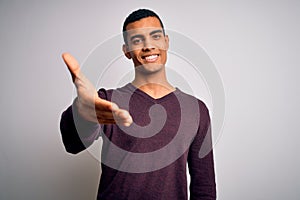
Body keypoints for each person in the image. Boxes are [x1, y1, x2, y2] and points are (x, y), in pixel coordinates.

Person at [60, 9, 216, 200]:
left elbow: (204, 186)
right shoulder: (107, 102)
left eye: (155, 36)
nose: (148, 46)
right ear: (126, 51)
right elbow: (72, 144)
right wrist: (82, 113)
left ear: (166, 42)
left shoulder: (196, 110)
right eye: (137, 40)